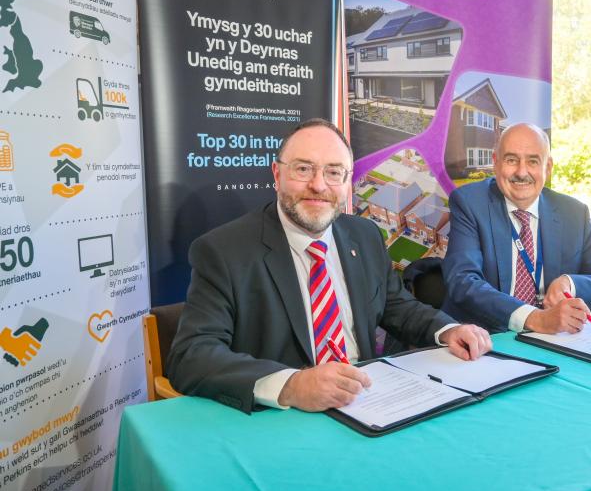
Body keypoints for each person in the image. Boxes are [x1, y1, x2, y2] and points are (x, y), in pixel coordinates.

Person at [167, 119, 492, 414]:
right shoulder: (224, 251)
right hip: (284, 419)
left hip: (368, 404)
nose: (319, 185)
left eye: (334, 172)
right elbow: (191, 356)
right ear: (277, 175)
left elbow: (395, 306)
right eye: (304, 169)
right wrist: (291, 385)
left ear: (348, 181)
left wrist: (449, 330)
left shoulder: (364, 235)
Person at [442, 123, 591, 334]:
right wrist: (534, 318)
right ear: (495, 163)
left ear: (548, 168)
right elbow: (463, 280)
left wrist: (570, 283)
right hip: (484, 338)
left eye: (533, 161)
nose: (522, 172)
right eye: (511, 160)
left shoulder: (574, 213)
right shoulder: (470, 202)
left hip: (551, 340)